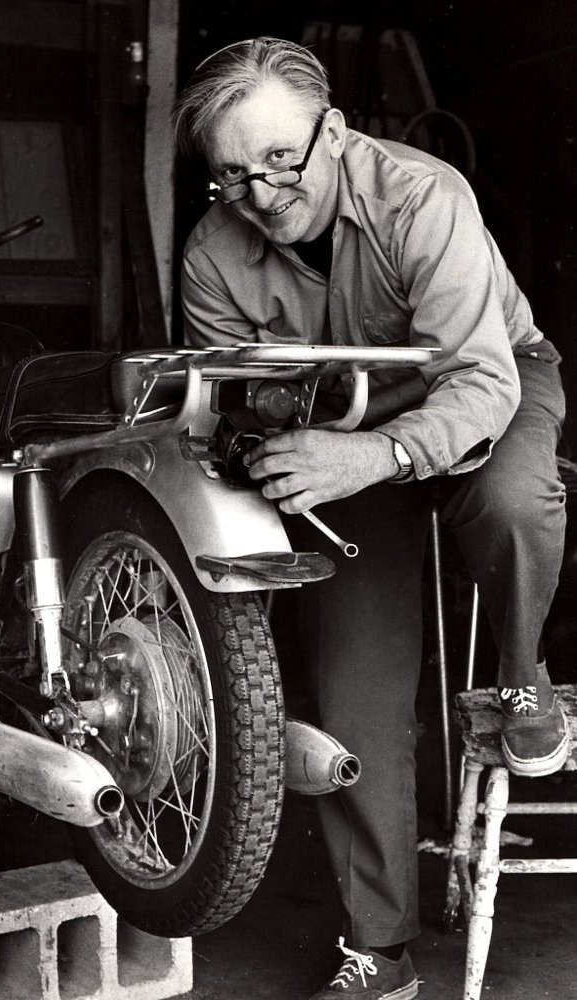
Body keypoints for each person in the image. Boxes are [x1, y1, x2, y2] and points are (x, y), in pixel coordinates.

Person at [172, 37, 569, 1000]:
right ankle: (379, 950)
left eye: (280, 159)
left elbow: (478, 378)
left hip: (489, 382)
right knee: (354, 687)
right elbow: (228, 397)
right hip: (338, 430)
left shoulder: (421, 198)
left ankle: (524, 679)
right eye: (232, 174)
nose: (261, 193)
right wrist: (273, 432)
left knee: (513, 501)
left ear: (334, 131)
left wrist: (381, 451)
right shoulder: (212, 254)